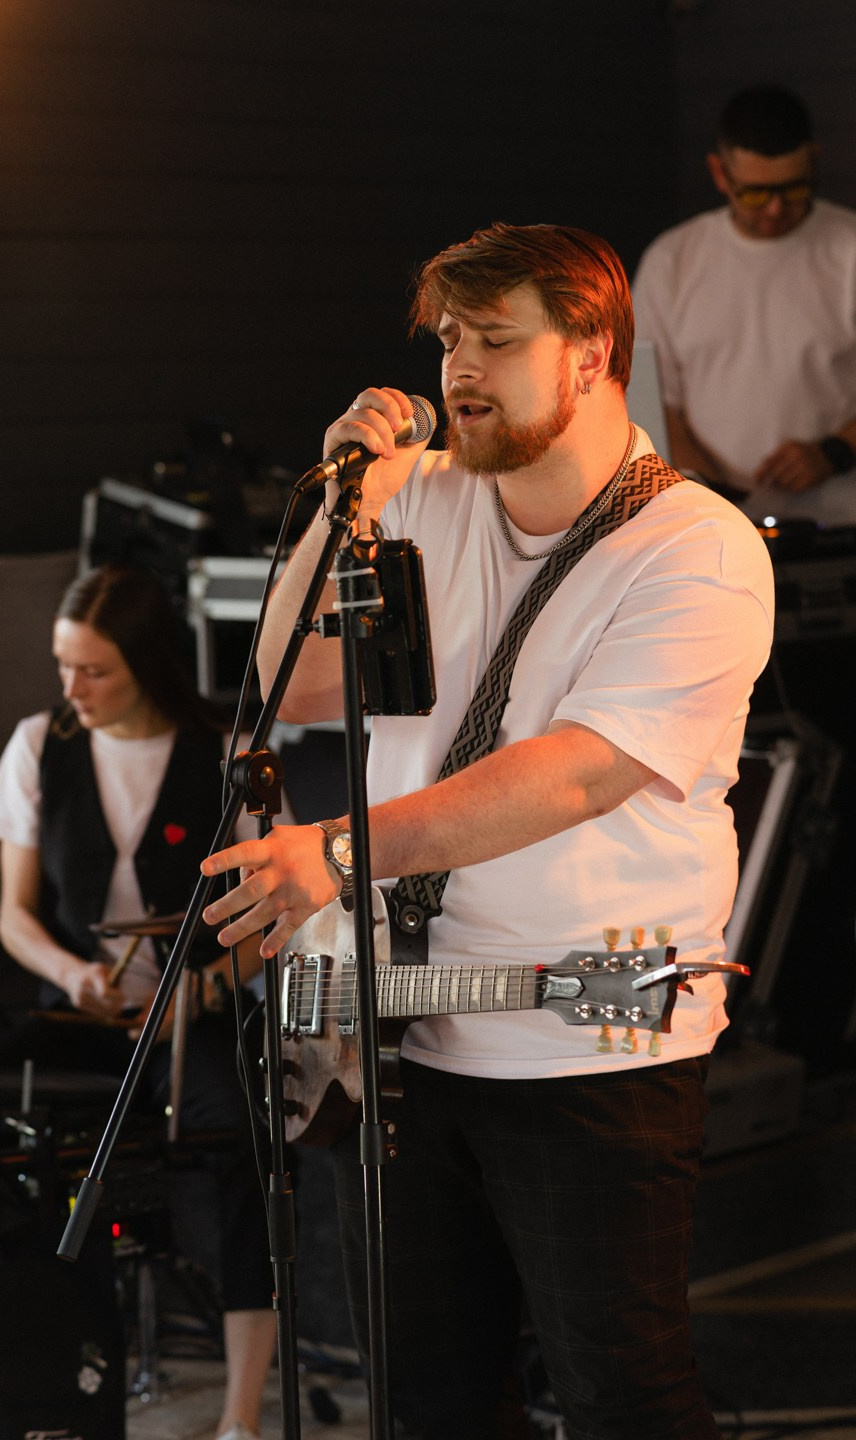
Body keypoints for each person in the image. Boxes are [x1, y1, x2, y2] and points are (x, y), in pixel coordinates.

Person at [196, 222, 775, 1439]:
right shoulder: (422, 499)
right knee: (427, 1401)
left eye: (497, 340)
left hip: (586, 1050)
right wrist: (338, 502)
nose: (460, 367)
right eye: (450, 338)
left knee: (621, 1399)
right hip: (400, 1033)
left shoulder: (697, 546)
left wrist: (340, 851)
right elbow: (287, 687)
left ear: (590, 353)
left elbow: (572, 775)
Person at [0, 563, 276, 1440]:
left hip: (193, 1024)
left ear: (145, 661)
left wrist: (199, 991)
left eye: (93, 670)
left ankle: (240, 1416)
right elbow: (15, 919)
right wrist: (71, 976)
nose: (72, 688)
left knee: (254, 1131)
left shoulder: (224, 752)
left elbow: (263, 915)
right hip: (81, 1021)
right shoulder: (38, 744)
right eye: (63, 666)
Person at [632, 84, 856, 527]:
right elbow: (653, 401)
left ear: (814, 159)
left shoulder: (848, 247)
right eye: (754, 193)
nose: (775, 209)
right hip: (711, 524)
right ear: (720, 173)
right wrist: (709, 490)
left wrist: (832, 452)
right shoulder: (673, 260)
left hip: (838, 522)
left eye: (793, 190)